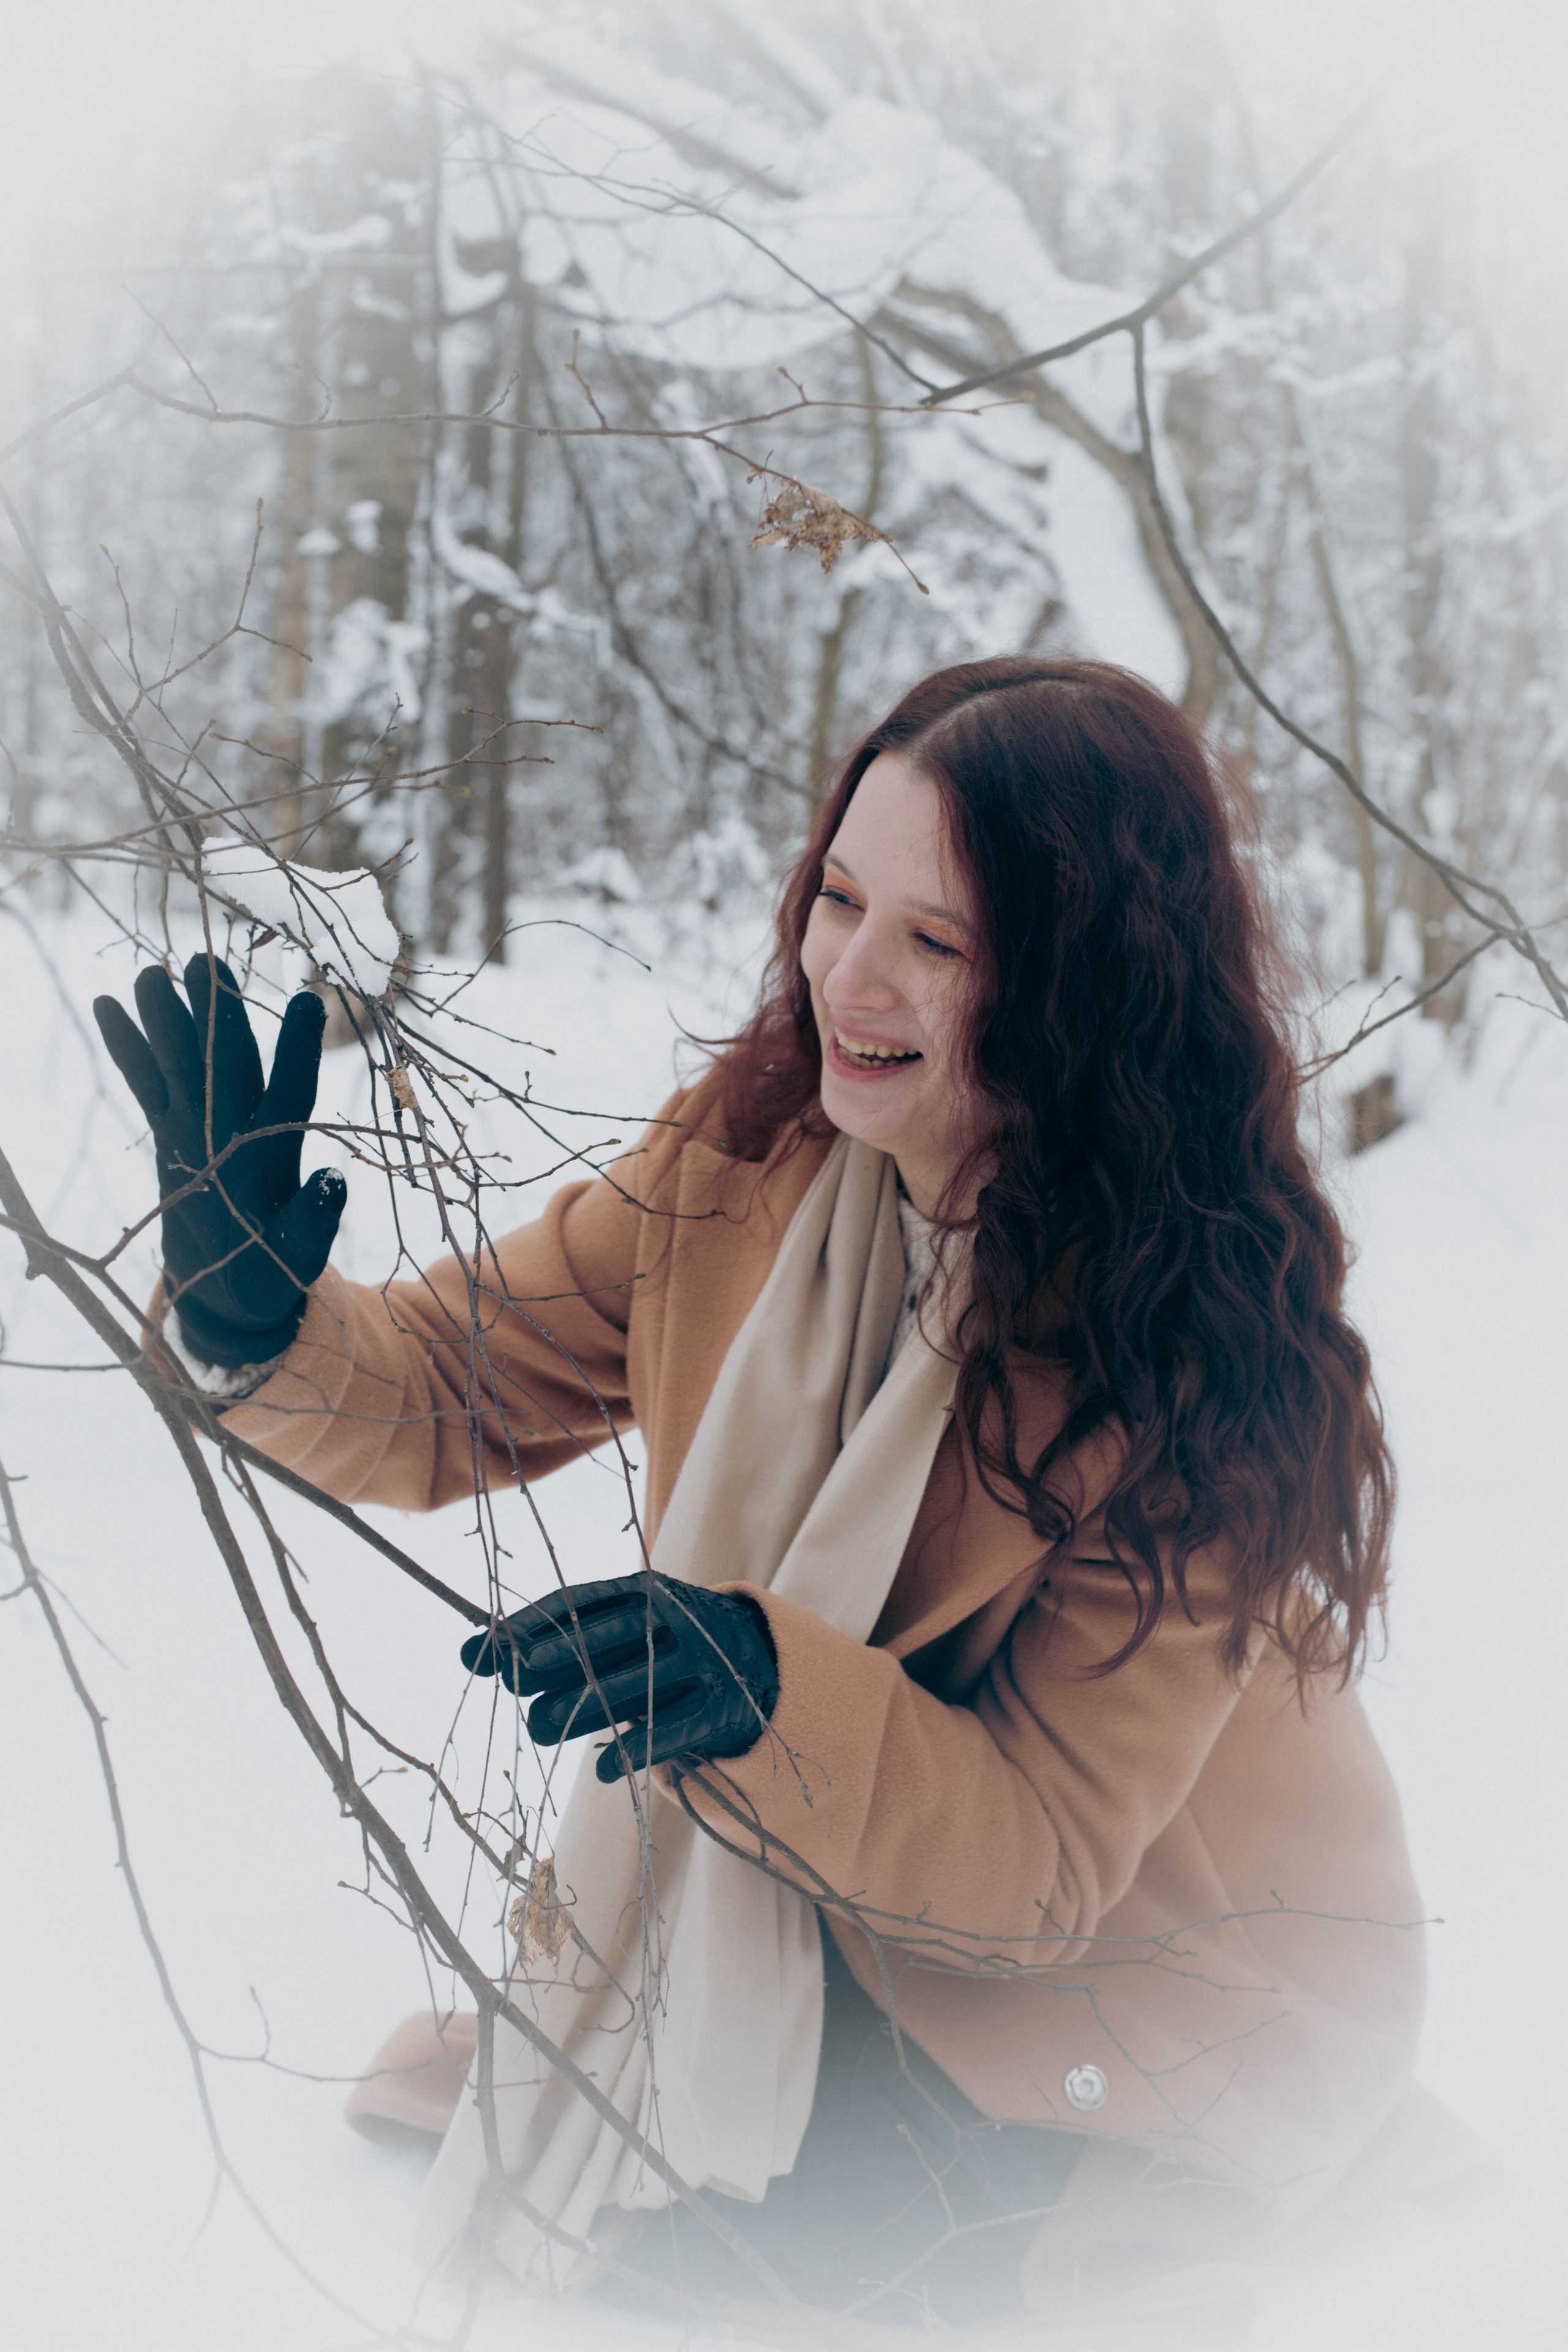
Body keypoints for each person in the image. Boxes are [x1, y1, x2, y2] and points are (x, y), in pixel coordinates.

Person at [94, 658, 1423, 2324]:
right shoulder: (748, 1171)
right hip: (826, 1901)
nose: (846, 976)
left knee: (736, 2273)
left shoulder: (1189, 1375)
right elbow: (454, 1388)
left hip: (1130, 1987)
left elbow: (1039, 1868)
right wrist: (251, 1318)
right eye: (838, 898)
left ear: (1083, 991)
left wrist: (762, 1687)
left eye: (936, 943)